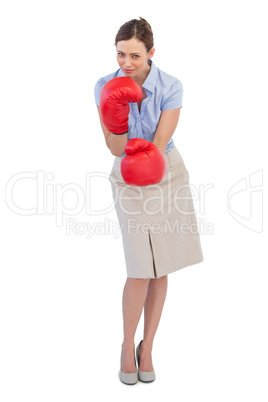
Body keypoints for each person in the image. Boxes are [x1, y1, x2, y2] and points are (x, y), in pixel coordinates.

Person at [94, 17, 203, 385]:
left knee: (161, 265)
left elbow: (156, 149)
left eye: (135, 56)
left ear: (151, 53)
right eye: (121, 54)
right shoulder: (105, 86)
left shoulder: (171, 86)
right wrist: (118, 113)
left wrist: (146, 156)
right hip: (127, 174)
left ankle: (148, 347)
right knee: (140, 266)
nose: (126, 63)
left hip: (165, 170)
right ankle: (127, 347)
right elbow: (114, 147)